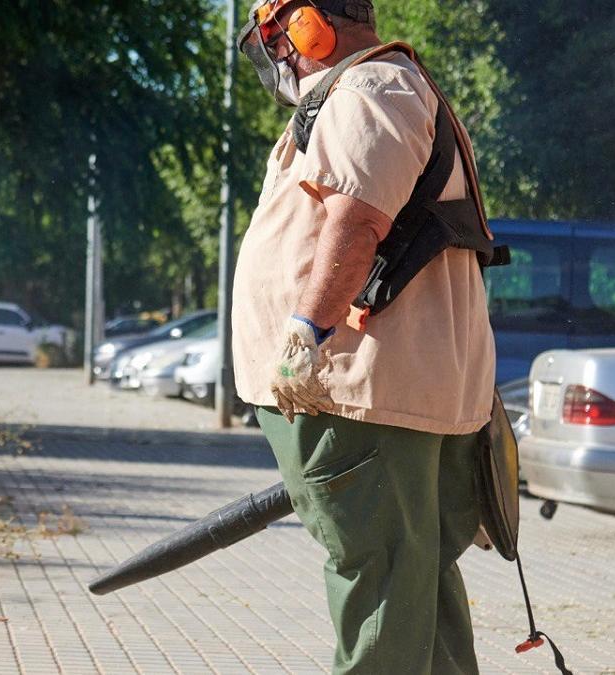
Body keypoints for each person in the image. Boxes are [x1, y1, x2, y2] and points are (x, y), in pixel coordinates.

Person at [233, 1, 498, 672]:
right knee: (413, 588)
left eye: (281, 38)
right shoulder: (374, 91)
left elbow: (355, 226)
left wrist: (302, 336)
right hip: (377, 393)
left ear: (308, 26)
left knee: (382, 589)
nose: (282, 58)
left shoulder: (372, 86)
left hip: (361, 391)